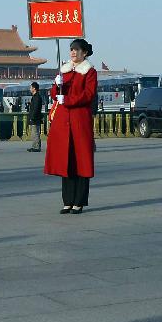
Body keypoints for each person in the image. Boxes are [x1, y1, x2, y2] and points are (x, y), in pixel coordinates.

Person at [44, 39, 97, 214]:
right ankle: (67, 201)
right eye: (71, 49)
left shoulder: (90, 72)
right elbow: (54, 94)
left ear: (85, 53)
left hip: (79, 120)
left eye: (76, 50)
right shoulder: (64, 71)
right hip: (63, 122)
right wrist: (57, 85)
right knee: (66, 160)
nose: (73, 53)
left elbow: (88, 95)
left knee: (80, 160)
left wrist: (67, 100)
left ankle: (79, 201)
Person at [27, 81, 43, 152]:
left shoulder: (37, 97)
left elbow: (36, 108)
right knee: (34, 133)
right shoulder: (35, 97)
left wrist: (32, 117)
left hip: (35, 118)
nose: (30, 89)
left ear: (34, 88)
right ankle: (34, 146)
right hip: (35, 117)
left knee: (35, 132)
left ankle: (36, 147)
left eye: (31, 87)